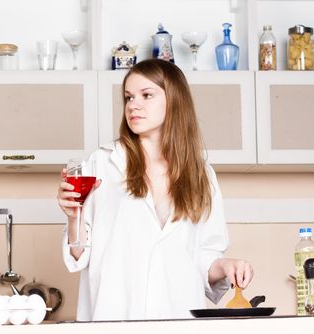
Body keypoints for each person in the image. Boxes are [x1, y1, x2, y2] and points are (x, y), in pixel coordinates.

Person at [57, 59, 253, 321]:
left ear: (174, 101)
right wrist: (74, 217)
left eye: (146, 95)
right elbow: (80, 253)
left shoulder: (201, 174)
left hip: (178, 317)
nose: (133, 105)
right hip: (114, 318)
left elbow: (204, 259)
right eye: (128, 97)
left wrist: (227, 266)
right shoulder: (102, 163)